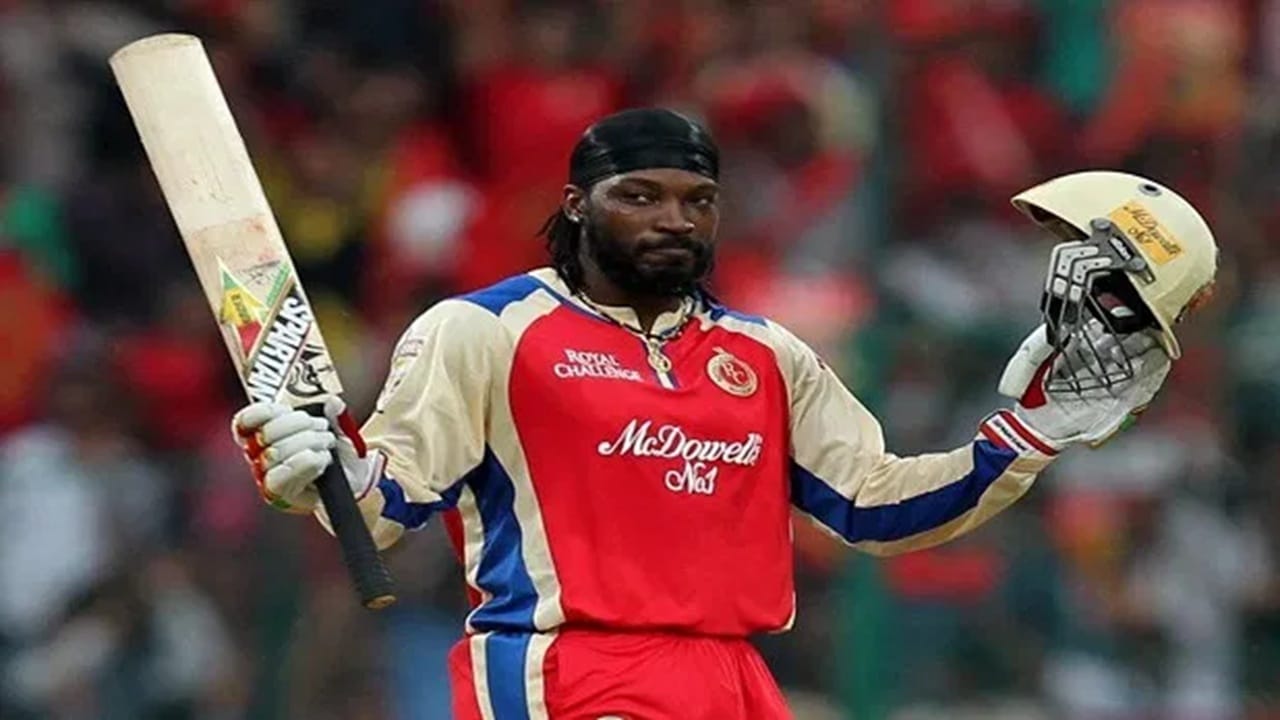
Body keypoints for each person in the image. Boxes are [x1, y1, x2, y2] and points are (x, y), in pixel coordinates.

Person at [229, 108, 1218, 719]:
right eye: (639, 195)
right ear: (575, 204)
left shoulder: (766, 355)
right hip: (567, 673)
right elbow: (385, 503)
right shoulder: (484, 329)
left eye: (695, 200)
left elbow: (874, 508)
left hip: (732, 679)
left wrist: (1030, 437)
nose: (673, 219)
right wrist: (315, 468)